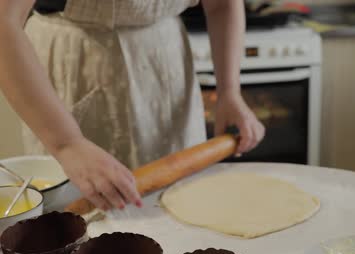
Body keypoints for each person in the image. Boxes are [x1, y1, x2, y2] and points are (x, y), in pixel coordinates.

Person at [0, 0, 265, 211]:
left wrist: (230, 91)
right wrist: (68, 143)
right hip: (78, 60)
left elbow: (221, 4)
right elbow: (4, 22)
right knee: (85, 220)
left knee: (179, 205)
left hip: (167, 66)